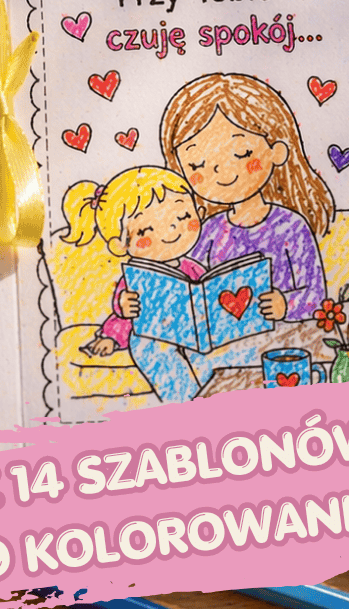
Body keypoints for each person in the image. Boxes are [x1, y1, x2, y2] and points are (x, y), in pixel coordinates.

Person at [161, 72, 333, 384]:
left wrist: (285, 304)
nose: (220, 170)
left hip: (281, 335)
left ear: (276, 151)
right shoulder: (209, 232)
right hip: (225, 342)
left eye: (241, 153)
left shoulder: (291, 227)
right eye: (197, 165)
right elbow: (190, 283)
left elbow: (316, 294)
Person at [73, 167, 208, 403]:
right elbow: (123, 317)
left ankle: (209, 395)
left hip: (193, 332)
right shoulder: (136, 278)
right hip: (153, 334)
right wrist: (122, 311)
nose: (171, 230)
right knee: (148, 346)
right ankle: (185, 401)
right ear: (120, 244)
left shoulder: (193, 269)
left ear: (200, 213)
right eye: (147, 230)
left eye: (183, 217)